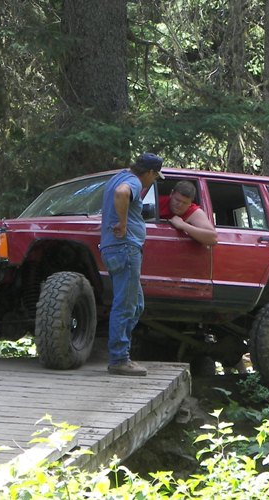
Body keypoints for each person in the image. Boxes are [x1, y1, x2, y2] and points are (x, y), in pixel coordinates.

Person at [100, 152, 164, 376]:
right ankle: (119, 359)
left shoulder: (119, 176)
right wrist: (124, 224)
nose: (153, 181)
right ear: (149, 172)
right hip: (125, 248)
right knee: (126, 305)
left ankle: (119, 351)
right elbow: (122, 194)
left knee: (135, 304)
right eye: (155, 176)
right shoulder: (133, 182)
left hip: (115, 248)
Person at [159, 180, 218, 246]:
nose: (180, 205)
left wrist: (183, 225)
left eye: (185, 203)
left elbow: (213, 238)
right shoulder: (157, 202)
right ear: (171, 194)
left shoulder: (194, 211)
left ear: (190, 203)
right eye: (177, 200)